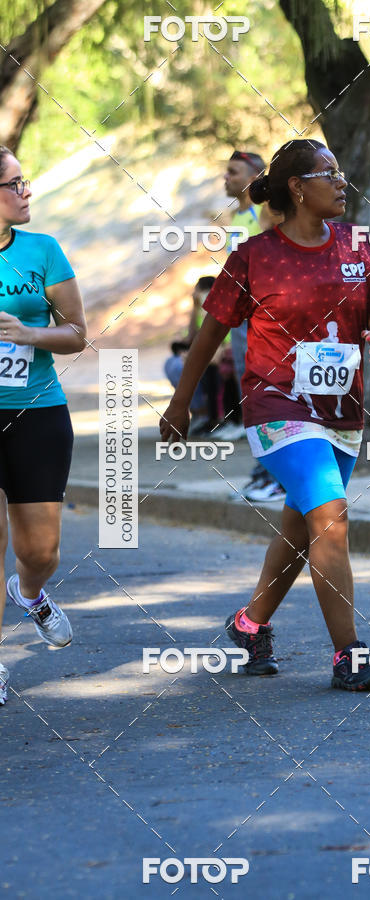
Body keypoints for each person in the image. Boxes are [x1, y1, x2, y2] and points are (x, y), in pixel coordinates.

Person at [160, 139, 370, 691]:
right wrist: (181, 402)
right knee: (331, 518)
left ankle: (250, 626)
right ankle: (349, 655)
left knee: (304, 528)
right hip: (277, 406)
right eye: (330, 174)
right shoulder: (254, 256)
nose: (343, 183)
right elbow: (210, 335)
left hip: (342, 410)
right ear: (297, 188)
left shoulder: (357, 245)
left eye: (341, 173)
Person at [0, 146, 87, 705]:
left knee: (41, 552)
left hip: (37, 412)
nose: (27, 191)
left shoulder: (43, 250)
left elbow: (78, 332)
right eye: (14, 184)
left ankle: (30, 592)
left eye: (25, 181)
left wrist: (29, 335)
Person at [224, 150, 284, 500]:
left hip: (263, 321)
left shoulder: (267, 215)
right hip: (240, 319)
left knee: (269, 395)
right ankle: (262, 471)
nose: (226, 178)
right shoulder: (238, 217)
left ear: (254, 176)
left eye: (234, 172)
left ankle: (277, 475)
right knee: (252, 398)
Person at [164, 276, 222, 436]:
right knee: (171, 363)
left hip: (218, 355)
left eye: (200, 291)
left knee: (180, 367)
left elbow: (215, 338)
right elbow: (192, 336)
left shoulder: (219, 306)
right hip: (205, 353)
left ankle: (205, 414)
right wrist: (195, 308)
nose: (196, 295)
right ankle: (197, 413)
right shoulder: (201, 309)